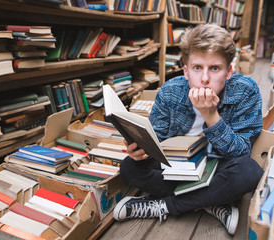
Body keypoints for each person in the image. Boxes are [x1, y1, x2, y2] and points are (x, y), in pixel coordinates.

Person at [112, 23, 264, 235]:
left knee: (249, 172)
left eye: (215, 68)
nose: (204, 78)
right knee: (129, 167)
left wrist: (211, 116)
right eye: (197, 68)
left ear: (229, 71)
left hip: (219, 168)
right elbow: (158, 143)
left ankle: (164, 206)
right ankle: (210, 202)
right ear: (186, 71)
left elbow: (241, 151)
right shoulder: (170, 92)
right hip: (180, 168)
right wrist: (141, 151)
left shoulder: (246, 91)